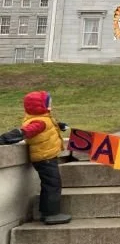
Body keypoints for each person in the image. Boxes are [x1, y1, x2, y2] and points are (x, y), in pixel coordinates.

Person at [0, 91, 72, 225]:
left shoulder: (43, 118)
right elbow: (25, 132)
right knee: (52, 185)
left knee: (50, 184)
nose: (51, 105)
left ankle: (48, 212)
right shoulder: (39, 122)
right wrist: (4, 139)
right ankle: (51, 214)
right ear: (41, 106)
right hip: (45, 159)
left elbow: (51, 125)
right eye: (48, 103)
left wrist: (60, 125)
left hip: (47, 157)